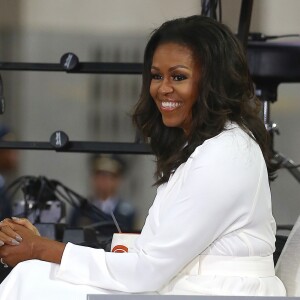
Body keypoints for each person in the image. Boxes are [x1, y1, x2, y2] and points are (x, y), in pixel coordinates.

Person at [0, 15, 286, 298]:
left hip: (213, 292)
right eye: (156, 76)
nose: (162, 88)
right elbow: (152, 260)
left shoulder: (225, 155)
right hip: (187, 287)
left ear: (214, 81)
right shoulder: (212, 146)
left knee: (32, 278)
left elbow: (147, 271)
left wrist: (39, 248)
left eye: (178, 76)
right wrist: (36, 247)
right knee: (33, 275)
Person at [69, 154, 136, 233]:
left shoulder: (127, 213)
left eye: (109, 177)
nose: (103, 181)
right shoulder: (80, 210)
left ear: (118, 181)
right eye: (99, 175)